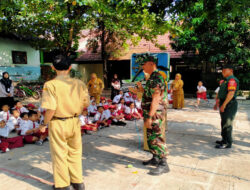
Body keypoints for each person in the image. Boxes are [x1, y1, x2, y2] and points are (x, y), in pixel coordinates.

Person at [40, 55, 89, 190]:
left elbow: (51, 109)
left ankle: (63, 185)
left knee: (60, 154)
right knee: (75, 152)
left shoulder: (50, 85)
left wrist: (44, 124)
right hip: (74, 121)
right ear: (69, 67)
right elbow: (86, 103)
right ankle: (78, 182)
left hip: (58, 122)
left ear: (53, 68)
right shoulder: (80, 83)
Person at [137, 54, 169, 175]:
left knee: (157, 137)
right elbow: (149, 94)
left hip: (155, 114)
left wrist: (150, 117)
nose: (142, 66)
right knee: (151, 137)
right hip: (150, 113)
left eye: (144, 64)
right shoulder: (151, 78)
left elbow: (156, 99)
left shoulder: (157, 78)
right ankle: (155, 158)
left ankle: (164, 164)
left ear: (151, 63)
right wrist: (140, 89)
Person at [215, 65, 239, 149]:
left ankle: (228, 143)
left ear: (231, 70)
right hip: (224, 102)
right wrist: (217, 103)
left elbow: (231, 94)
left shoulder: (232, 80)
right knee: (224, 122)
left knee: (227, 123)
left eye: (225, 70)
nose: (223, 72)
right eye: (222, 71)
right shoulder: (225, 81)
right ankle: (224, 139)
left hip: (229, 104)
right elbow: (221, 93)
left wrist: (224, 105)